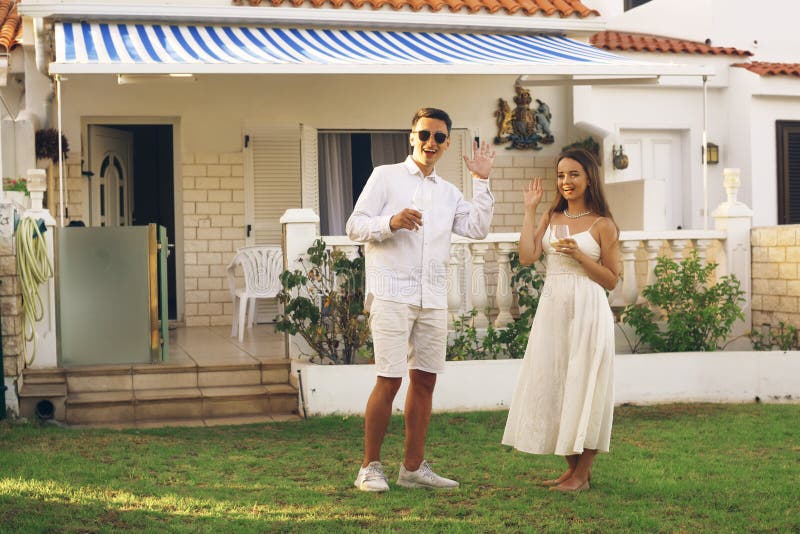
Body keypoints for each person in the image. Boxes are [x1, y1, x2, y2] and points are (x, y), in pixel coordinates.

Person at [346, 107, 496, 492]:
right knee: (389, 379)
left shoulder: (449, 193)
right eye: (425, 134)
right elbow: (354, 225)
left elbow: (477, 228)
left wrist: (481, 180)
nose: (431, 142)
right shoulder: (385, 176)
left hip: (432, 295)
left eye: (440, 137)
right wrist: (390, 222)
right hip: (391, 292)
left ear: (446, 144)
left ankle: (412, 469)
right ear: (412, 136)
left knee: (425, 381)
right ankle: (369, 467)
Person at [502, 147, 619, 492]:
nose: (566, 181)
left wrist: (580, 255)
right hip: (553, 309)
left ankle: (582, 474)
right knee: (554, 383)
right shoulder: (551, 217)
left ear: (589, 178)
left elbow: (612, 280)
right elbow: (527, 256)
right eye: (561, 175)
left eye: (574, 174)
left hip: (588, 309)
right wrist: (529, 210)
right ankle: (572, 470)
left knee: (586, 386)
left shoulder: (603, 225)